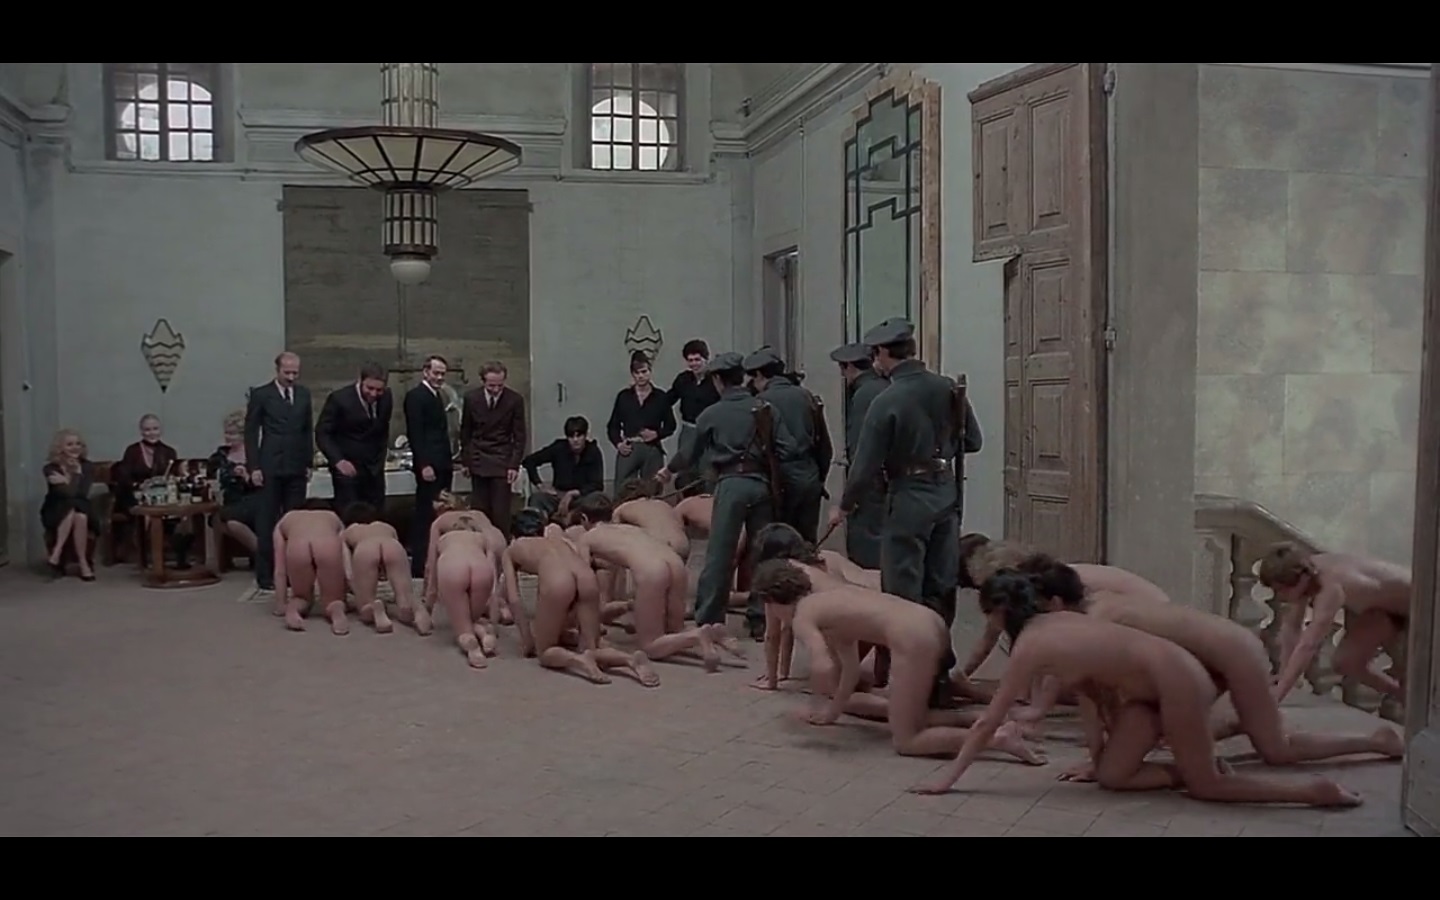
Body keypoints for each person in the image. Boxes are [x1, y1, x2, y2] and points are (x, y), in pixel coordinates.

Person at [911, 571, 1362, 808]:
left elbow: (988, 722)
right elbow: (1090, 695)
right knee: (1113, 776)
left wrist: (946, 780)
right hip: (1152, 691)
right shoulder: (1059, 625)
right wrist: (1095, 758)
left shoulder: (1033, 644)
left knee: (1208, 788)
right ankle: (1189, 765)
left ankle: (1313, 791)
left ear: (998, 613)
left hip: (1180, 681)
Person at [1012, 553, 1403, 764]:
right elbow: (1098, 690)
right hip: (1207, 662)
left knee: (1276, 751)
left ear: (1055, 602)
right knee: (1180, 734)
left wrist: (1279, 690)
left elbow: (1097, 690)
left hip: (1235, 655)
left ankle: (1375, 740)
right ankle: (1245, 718)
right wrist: (1101, 756)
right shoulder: (1092, 611)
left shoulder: (1099, 617)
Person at [749, 560, 1042, 764]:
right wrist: (831, 712)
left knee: (908, 741)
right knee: (911, 717)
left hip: (912, 637)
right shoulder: (831, 601)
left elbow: (821, 662)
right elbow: (850, 668)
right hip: (929, 621)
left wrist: (817, 691)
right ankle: (992, 720)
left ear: (773, 601)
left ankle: (998, 739)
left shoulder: (803, 615)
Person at [829, 319, 964, 707]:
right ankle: (938, 673)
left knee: (903, 594)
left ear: (882, 354)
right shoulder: (947, 388)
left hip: (907, 497)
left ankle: (909, 679)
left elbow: (865, 466)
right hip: (945, 493)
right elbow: (971, 439)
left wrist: (845, 505)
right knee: (940, 588)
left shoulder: (886, 399)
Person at [657, 352, 796, 641]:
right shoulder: (765, 408)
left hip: (731, 483)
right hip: (762, 484)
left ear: (719, 380)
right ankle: (761, 620)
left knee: (720, 552)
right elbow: (788, 448)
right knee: (763, 552)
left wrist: (667, 471)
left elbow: (689, 454)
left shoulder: (712, 413)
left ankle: (709, 619)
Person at [572, 493, 733, 670]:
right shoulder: (629, 529)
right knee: (674, 630)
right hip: (675, 562)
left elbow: (584, 579)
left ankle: (698, 635)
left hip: (652, 571)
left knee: (651, 646)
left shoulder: (587, 538)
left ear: (584, 518)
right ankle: (711, 633)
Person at [503, 509, 661, 687]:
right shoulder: (559, 541)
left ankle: (579, 661)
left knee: (546, 651)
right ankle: (629, 659)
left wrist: (527, 640)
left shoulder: (513, 549)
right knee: (592, 646)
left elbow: (513, 598)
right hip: (585, 576)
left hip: (558, 580)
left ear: (512, 535)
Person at [1260, 543, 1411, 706]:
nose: (1279, 596)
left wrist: (1279, 695)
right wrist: (1283, 675)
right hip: (1380, 609)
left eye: (1281, 590)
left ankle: (1411, 699)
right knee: (1345, 662)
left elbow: (1309, 645)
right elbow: (1291, 627)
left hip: (1417, 605)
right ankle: (1401, 695)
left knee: (1414, 672)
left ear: (1301, 579)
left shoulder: (1330, 587)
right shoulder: (1306, 570)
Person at [745, 347, 833, 545]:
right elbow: (825, 447)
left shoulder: (761, 403)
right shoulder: (807, 395)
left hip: (780, 477)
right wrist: (820, 479)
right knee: (808, 540)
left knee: (780, 541)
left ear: (759, 375)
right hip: (810, 473)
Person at [246, 352, 315, 593]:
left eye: (295, 373)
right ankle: (266, 574)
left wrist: (309, 462)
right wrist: (254, 466)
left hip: (296, 465)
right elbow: (251, 432)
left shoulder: (304, 394)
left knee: (294, 520)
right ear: (277, 370)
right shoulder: (261, 394)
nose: (291, 377)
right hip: (270, 465)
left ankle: (294, 571)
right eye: (287, 373)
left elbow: (307, 430)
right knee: (267, 521)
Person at [423, 501, 500, 669]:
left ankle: (471, 645)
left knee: (462, 626)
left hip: (453, 567)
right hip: (482, 569)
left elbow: (431, 572)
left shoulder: (443, 539)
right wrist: (494, 616)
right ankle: (484, 632)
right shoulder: (482, 538)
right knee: (471, 618)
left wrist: (427, 608)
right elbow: (494, 579)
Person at [831, 343, 887, 568]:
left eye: (842, 369)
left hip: (871, 487)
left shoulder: (863, 395)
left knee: (866, 553)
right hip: (891, 483)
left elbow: (861, 452)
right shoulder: (885, 386)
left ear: (850, 367)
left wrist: (846, 502)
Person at [461, 361, 526, 538]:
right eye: (491, 386)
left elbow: (519, 435)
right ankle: (479, 545)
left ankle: (502, 546)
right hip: (478, 457)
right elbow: (466, 431)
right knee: (479, 511)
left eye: (500, 385)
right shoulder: (471, 398)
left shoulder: (514, 400)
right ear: (483, 381)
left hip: (502, 458)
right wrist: (466, 460)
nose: (496, 390)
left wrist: (514, 464)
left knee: (500, 512)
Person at [342, 502, 428, 636]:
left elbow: (348, 572)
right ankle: (414, 609)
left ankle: (374, 608)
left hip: (366, 548)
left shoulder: (349, 531)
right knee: (404, 598)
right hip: (392, 546)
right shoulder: (386, 526)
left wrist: (356, 591)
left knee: (364, 606)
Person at [316, 362, 392, 512]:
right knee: (350, 513)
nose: (373, 394)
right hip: (348, 470)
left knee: (376, 514)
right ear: (360, 381)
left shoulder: (386, 397)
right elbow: (322, 433)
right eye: (369, 388)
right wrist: (338, 461)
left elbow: (383, 429)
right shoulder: (339, 399)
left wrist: (380, 460)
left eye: (379, 390)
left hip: (374, 470)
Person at [404, 356, 455, 579]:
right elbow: (416, 433)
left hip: (442, 463)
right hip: (429, 466)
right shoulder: (416, 397)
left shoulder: (437, 395)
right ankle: (420, 564)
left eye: (443, 374)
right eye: (436, 373)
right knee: (425, 514)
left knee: (440, 512)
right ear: (425, 372)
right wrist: (423, 464)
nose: (440, 378)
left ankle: (435, 561)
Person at [273, 499, 349, 636]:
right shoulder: (332, 517)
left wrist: (280, 603)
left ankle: (293, 610)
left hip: (298, 547)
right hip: (327, 546)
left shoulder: (287, 518)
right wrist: (347, 595)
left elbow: (280, 569)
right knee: (334, 600)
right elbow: (346, 562)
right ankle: (336, 610)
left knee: (301, 597)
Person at [608, 352, 677, 487]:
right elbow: (613, 425)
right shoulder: (624, 397)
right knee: (623, 488)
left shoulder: (660, 397)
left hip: (652, 448)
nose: (640, 376)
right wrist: (618, 444)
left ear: (650, 371)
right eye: (637, 373)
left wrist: (657, 434)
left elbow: (671, 425)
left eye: (644, 372)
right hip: (630, 447)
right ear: (632, 374)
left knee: (653, 487)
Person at [522, 416, 605, 523]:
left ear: (585, 436)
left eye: (579, 436)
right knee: (537, 498)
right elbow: (529, 461)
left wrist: (572, 494)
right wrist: (540, 485)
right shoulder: (559, 448)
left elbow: (597, 484)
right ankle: (539, 527)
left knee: (598, 498)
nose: (575, 440)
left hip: (581, 498)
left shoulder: (593, 452)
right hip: (558, 496)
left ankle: (574, 519)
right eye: (571, 436)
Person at [41, 429, 98, 581]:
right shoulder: (50, 468)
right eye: (70, 444)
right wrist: (73, 480)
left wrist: (74, 474)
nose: (75, 448)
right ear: (60, 447)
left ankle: (57, 553)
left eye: (78, 444)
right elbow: (65, 494)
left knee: (78, 512)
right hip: (55, 509)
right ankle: (83, 564)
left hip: (82, 505)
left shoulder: (87, 466)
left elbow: (81, 493)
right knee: (75, 511)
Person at [667, 340, 721, 496]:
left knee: (708, 471)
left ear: (706, 359)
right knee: (686, 472)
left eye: (697, 360)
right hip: (688, 430)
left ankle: (708, 503)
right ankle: (687, 503)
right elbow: (666, 400)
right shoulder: (683, 380)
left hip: (710, 432)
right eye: (690, 360)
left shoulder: (715, 381)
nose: (694, 364)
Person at [210, 410, 262, 559]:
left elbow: (264, 483)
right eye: (226, 433)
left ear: (243, 435)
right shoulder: (219, 456)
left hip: (253, 498)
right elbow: (211, 477)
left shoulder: (256, 455)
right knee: (229, 522)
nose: (228, 437)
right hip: (230, 500)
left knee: (232, 519)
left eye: (232, 434)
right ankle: (266, 556)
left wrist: (247, 477)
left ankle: (264, 557)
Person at [613, 479, 690, 559]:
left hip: (661, 548)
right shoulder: (663, 504)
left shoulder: (623, 508)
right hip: (682, 545)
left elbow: (613, 534)